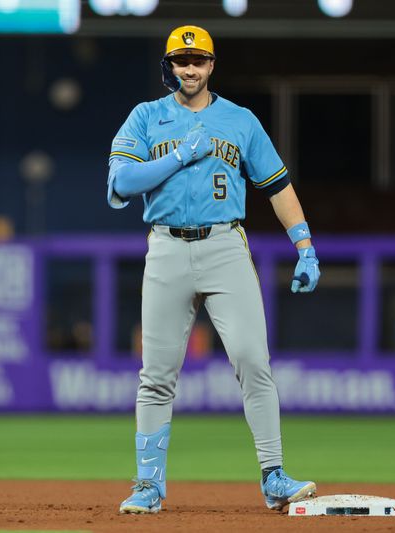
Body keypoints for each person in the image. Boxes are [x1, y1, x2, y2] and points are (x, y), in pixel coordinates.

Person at [107, 26, 320, 514]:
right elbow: (119, 183)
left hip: (225, 243)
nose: (190, 68)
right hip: (166, 246)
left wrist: (304, 245)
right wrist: (179, 155)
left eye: (198, 60)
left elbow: (277, 186)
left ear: (211, 65)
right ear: (169, 66)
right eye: (181, 60)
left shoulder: (240, 120)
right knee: (156, 375)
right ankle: (148, 485)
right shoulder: (145, 117)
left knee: (253, 361)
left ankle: (274, 476)